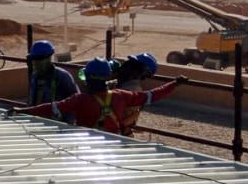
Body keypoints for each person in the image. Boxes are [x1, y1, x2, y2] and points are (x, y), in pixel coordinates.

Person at [14, 57, 184, 136]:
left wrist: (22, 111)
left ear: (88, 78)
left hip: (86, 145)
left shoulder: (80, 100)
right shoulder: (121, 96)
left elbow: (50, 109)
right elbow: (151, 96)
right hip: (115, 144)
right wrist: (175, 84)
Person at [27, 40, 78, 120]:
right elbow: (31, 101)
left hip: (58, 124)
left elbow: (76, 103)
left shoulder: (63, 77)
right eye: (33, 58)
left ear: (49, 58)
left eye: (39, 58)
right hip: (37, 121)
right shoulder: (34, 77)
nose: (35, 62)